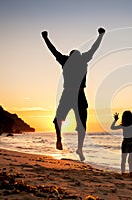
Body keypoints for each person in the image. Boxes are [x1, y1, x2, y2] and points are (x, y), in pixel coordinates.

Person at [41, 27, 105, 161]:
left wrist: (100, 36)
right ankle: (60, 140)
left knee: (81, 125)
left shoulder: (77, 60)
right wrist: (45, 38)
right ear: (70, 56)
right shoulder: (73, 60)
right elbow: (53, 50)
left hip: (76, 95)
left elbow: (94, 48)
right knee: (59, 120)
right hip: (71, 95)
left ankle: (79, 148)